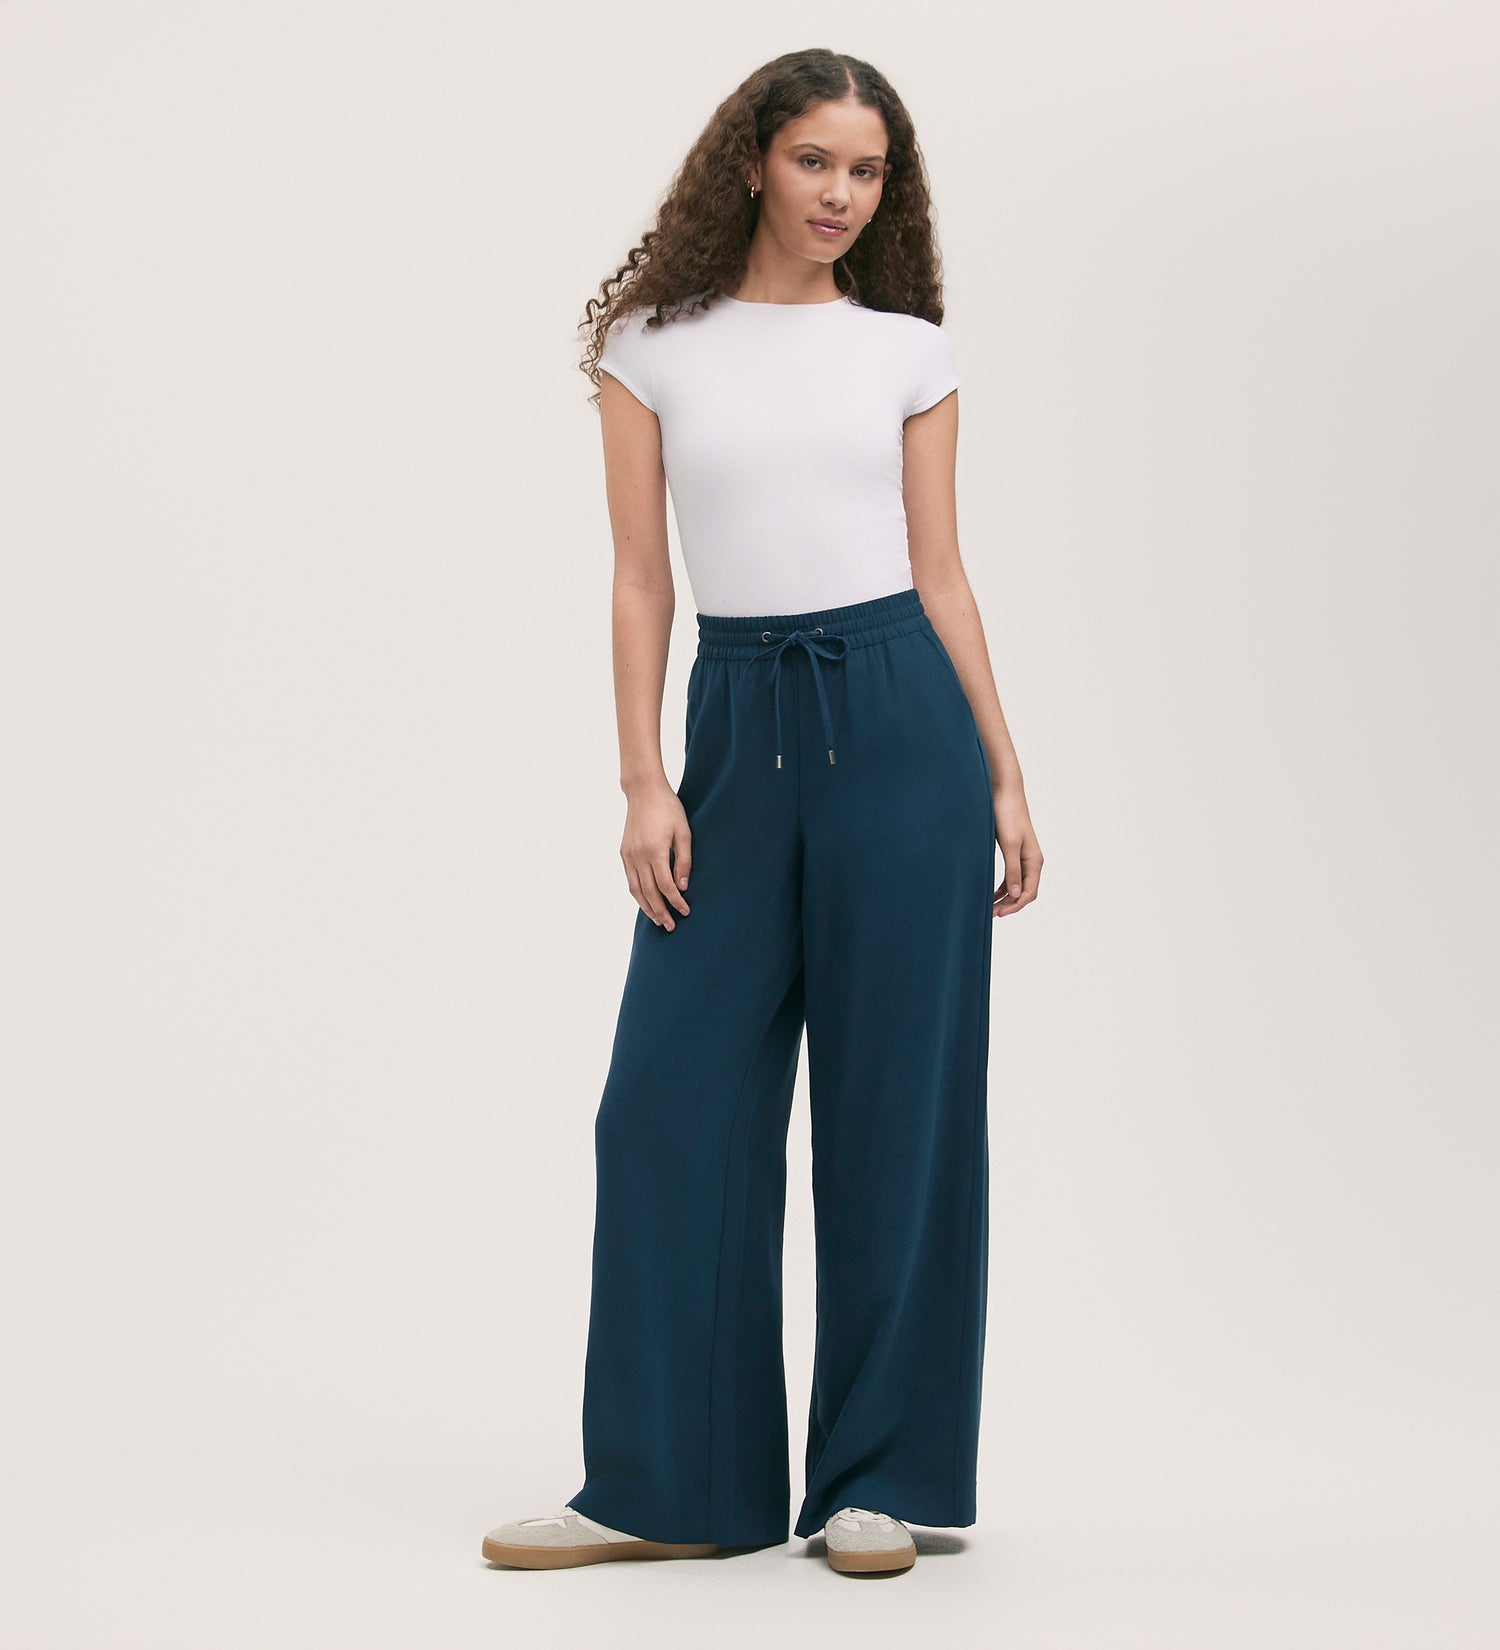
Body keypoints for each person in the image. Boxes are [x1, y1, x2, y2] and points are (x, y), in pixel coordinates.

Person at [482, 47, 1042, 1578]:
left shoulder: (907, 351)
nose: (839, 194)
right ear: (750, 159)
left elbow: (942, 574)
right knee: (666, 1102)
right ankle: (667, 1480)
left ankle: (879, 1478)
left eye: (866, 171)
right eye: (813, 161)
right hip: (734, 729)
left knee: (898, 1107)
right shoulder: (652, 346)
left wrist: (1003, 771)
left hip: (903, 723)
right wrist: (643, 777)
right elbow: (639, 577)